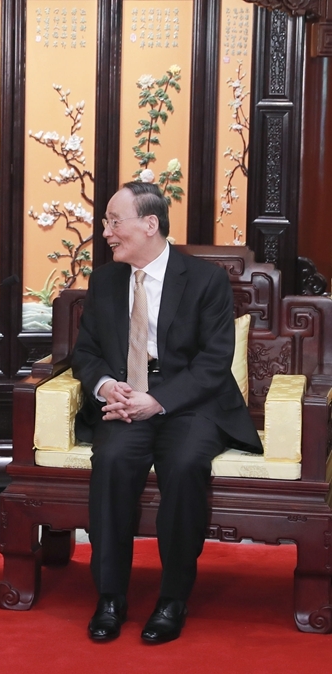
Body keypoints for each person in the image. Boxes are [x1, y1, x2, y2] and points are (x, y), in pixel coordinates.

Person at [71, 181, 261, 644]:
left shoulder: (205, 279)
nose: (106, 232)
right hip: (125, 401)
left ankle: (173, 597)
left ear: (149, 224)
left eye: (114, 222)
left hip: (190, 403)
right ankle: (110, 597)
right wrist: (106, 386)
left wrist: (158, 400)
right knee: (111, 460)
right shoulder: (105, 280)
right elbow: (86, 353)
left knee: (184, 463)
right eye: (105, 223)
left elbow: (214, 362)